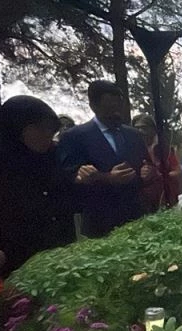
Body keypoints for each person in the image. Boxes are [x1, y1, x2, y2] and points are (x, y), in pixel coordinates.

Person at [0, 96, 78, 331]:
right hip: (1, 271)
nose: (50, 138)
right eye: (44, 131)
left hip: (51, 268)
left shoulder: (46, 157)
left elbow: (61, 197)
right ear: (23, 129)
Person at [57, 80, 158, 238]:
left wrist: (148, 174)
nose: (116, 113)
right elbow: (67, 179)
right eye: (110, 107)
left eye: (119, 107)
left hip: (136, 220)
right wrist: (106, 178)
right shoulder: (76, 137)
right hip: (100, 224)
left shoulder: (134, 135)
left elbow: (145, 169)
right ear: (94, 106)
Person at [132, 113, 181, 208]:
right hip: (142, 203)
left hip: (166, 199)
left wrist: (158, 175)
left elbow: (178, 172)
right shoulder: (131, 151)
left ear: (153, 129)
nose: (140, 131)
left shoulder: (165, 149)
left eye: (144, 127)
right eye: (137, 128)